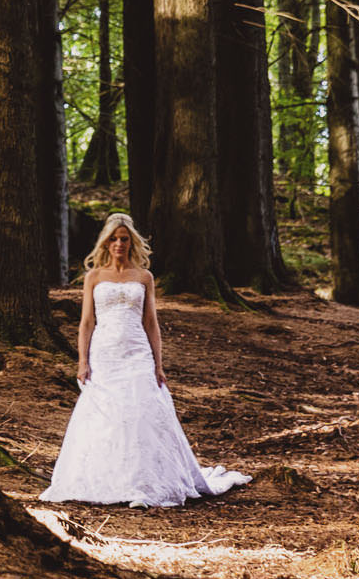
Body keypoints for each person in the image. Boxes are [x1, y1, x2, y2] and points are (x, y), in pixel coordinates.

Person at [40, 212, 249, 507]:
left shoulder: (144, 277)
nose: (119, 244)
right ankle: (102, 480)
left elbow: (151, 323)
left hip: (137, 350)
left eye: (124, 239)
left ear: (131, 242)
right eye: (113, 239)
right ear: (106, 242)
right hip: (105, 351)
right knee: (105, 413)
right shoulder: (94, 277)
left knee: (141, 409)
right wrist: (82, 360)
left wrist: (158, 363)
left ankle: (144, 484)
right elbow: (86, 322)